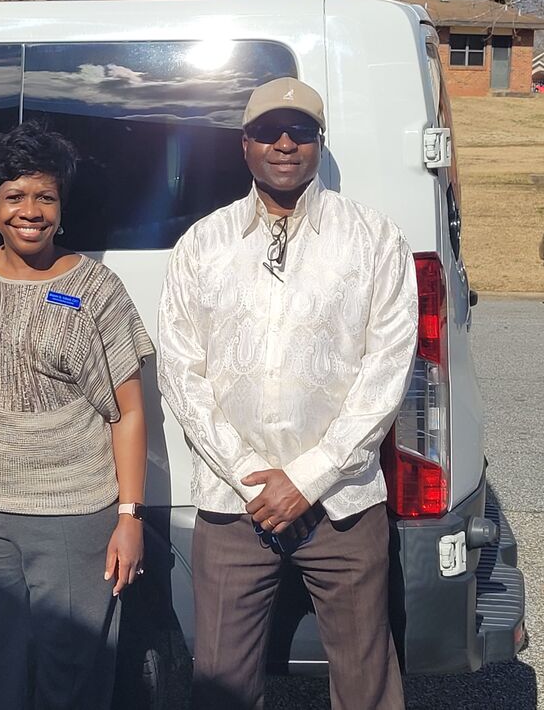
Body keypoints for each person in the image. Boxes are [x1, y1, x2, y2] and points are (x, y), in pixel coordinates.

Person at [158, 78, 418, 710]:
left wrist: (308, 476)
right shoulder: (202, 244)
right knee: (220, 681)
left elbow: (387, 370)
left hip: (344, 501)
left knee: (366, 681)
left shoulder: (374, 239)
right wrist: (252, 474)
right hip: (234, 502)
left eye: (300, 132)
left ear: (318, 142)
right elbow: (180, 371)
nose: (284, 144)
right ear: (244, 145)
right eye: (268, 132)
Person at [0, 121, 154, 710]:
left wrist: (130, 516)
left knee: (72, 674)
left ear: (62, 206)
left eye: (45, 197)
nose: (31, 211)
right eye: (15, 196)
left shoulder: (97, 288)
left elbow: (127, 414)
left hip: (75, 514)